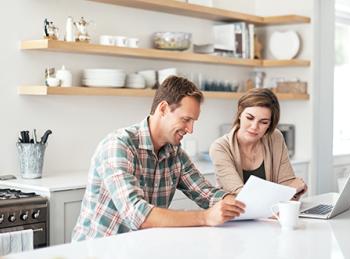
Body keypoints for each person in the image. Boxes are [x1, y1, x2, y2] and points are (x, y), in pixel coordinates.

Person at [72, 76, 245, 241]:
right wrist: (205, 217)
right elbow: (137, 214)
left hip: (139, 247)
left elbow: (206, 193)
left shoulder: (174, 153)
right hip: (98, 250)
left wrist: (234, 204)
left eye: (193, 121)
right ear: (163, 109)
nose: (190, 129)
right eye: (186, 119)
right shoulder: (119, 145)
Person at [209, 88, 307, 198]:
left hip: (272, 214)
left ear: (270, 124)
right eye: (249, 118)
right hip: (236, 215)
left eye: (263, 122)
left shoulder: (275, 138)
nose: (254, 127)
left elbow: (288, 184)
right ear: (240, 114)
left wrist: (289, 190)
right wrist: (288, 190)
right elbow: (241, 196)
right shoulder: (220, 148)